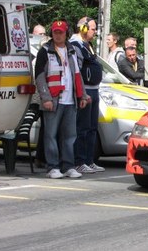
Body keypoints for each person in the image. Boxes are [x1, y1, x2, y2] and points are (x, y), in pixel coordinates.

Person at [35, 20, 88, 179]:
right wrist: (46, 98)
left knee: (70, 136)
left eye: (61, 32)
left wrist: (83, 95)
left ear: (66, 34)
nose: (58, 35)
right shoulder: (45, 51)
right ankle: (52, 167)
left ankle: (68, 166)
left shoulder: (72, 50)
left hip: (70, 100)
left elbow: (77, 75)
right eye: (55, 32)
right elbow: (39, 76)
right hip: (53, 99)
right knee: (51, 135)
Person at [70, 17, 105, 174]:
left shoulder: (88, 45)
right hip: (86, 90)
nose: (95, 32)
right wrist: (81, 93)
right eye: (92, 28)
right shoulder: (76, 45)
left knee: (91, 127)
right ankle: (79, 161)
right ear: (83, 29)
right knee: (82, 127)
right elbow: (77, 69)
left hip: (94, 89)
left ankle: (89, 160)